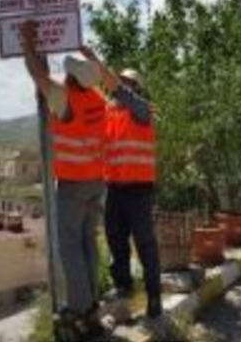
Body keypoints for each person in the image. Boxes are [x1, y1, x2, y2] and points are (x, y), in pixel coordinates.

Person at [19, 22, 107, 338]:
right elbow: (103, 78)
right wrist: (93, 58)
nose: (65, 76)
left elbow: (37, 76)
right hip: (97, 182)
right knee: (88, 244)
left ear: (71, 78)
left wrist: (28, 43)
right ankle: (92, 304)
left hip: (73, 185)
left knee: (70, 247)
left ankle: (81, 309)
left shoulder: (66, 101)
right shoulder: (98, 98)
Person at [80, 47, 163, 319]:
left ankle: (153, 297)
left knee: (145, 243)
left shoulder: (141, 110)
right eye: (122, 83)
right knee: (116, 240)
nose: (122, 88)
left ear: (135, 89)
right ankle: (124, 286)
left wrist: (94, 60)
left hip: (139, 190)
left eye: (128, 85)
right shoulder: (109, 113)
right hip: (115, 189)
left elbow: (116, 90)